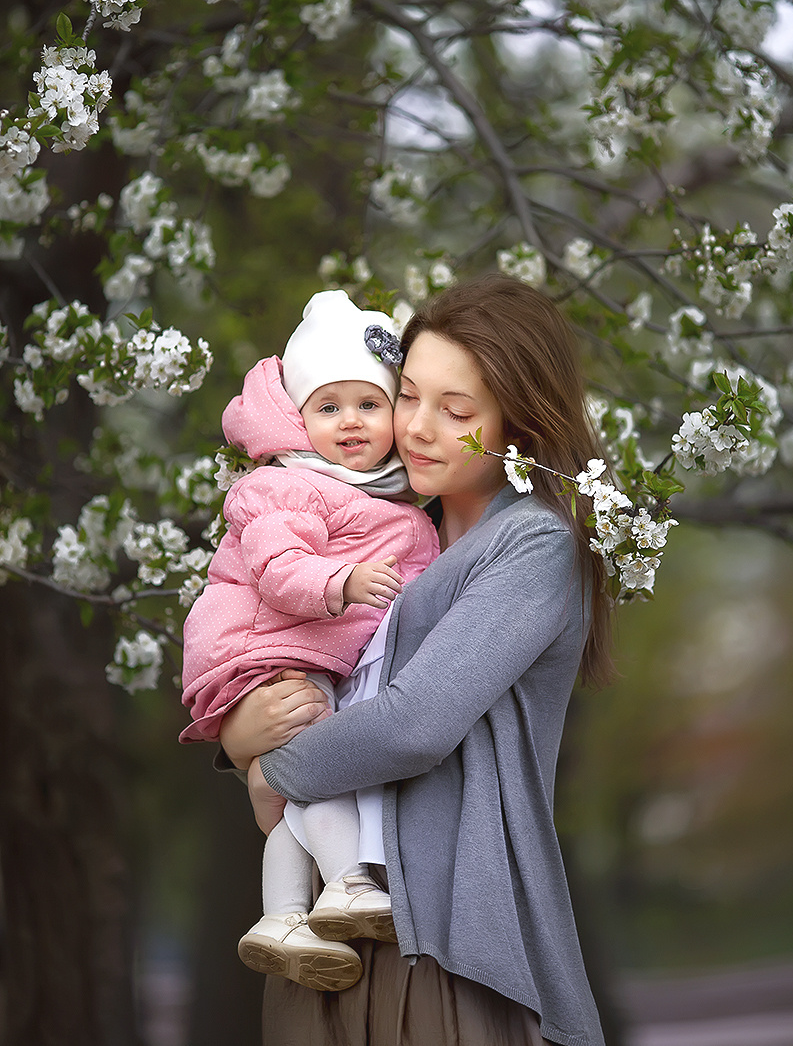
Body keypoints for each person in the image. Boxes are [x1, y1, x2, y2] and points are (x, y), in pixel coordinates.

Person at [220, 274, 613, 1046]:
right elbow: (279, 649)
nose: (419, 427)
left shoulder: (529, 545)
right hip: (326, 932)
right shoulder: (384, 532)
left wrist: (271, 768)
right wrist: (237, 734)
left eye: (456, 409)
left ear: (519, 427)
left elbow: (412, 725)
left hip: (437, 934)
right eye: (406, 396)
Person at [180, 290, 439, 990]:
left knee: (297, 788)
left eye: (367, 403)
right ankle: (347, 880)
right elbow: (274, 567)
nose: (349, 421)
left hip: (298, 650)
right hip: (265, 643)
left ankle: (281, 916)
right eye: (327, 407)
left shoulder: (385, 497)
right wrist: (341, 583)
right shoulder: (291, 485)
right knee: (318, 756)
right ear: (300, 419)